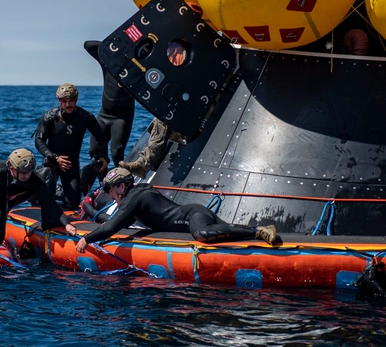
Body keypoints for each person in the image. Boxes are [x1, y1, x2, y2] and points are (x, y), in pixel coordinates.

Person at [75, 168, 280, 253]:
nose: (110, 196)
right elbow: (118, 222)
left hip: (192, 216)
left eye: (111, 190)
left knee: (203, 234)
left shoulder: (133, 197)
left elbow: (112, 226)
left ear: (121, 187)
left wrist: (87, 239)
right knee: (218, 231)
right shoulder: (134, 195)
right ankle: (252, 232)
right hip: (193, 214)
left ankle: (258, 230)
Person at [0, 148, 77, 245]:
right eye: (24, 173)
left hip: (15, 195)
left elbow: (49, 201)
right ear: (12, 169)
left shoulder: (31, 177)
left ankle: (48, 222)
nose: (28, 176)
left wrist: (66, 224)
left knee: (45, 176)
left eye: (30, 172)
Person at [34, 83, 109, 209]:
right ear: (59, 101)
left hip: (70, 163)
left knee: (72, 203)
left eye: (71, 101)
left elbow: (100, 136)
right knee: (40, 201)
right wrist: (55, 157)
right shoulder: (49, 117)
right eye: (64, 101)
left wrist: (103, 156)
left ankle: (60, 190)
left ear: (76, 99)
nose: (68, 105)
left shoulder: (85, 117)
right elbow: (39, 140)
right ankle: (51, 189)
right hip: (52, 162)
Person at [83, 40, 136, 170]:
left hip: (121, 118)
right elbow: (88, 45)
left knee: (116, 153)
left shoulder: (137, 68)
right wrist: (111, 47)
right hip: (104, 115)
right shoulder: (108, 62)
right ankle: (104, 184)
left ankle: (123, 183)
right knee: (94, 152)